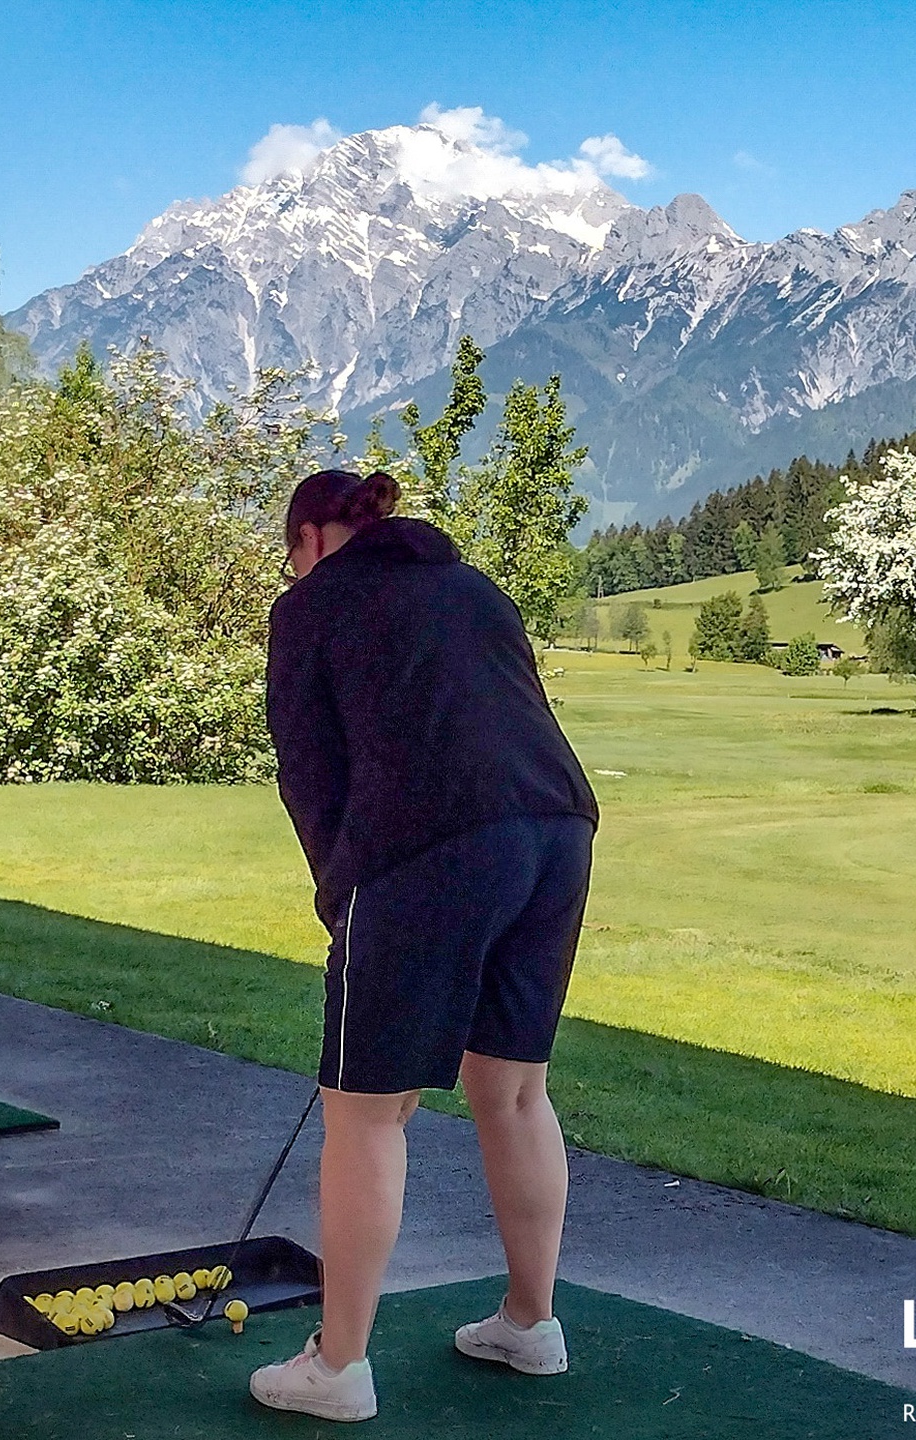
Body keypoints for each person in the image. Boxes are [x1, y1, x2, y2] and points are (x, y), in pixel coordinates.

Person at [247, 470, 599, 1423]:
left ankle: (338, 1367)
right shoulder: (477, 587)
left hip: (428, 846)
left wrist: (341, 902)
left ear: (313, 537)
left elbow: (311, 777)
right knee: (513, 1087)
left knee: (364, 1110)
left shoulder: (311, 605)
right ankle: (530, 1323)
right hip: (557, 833)